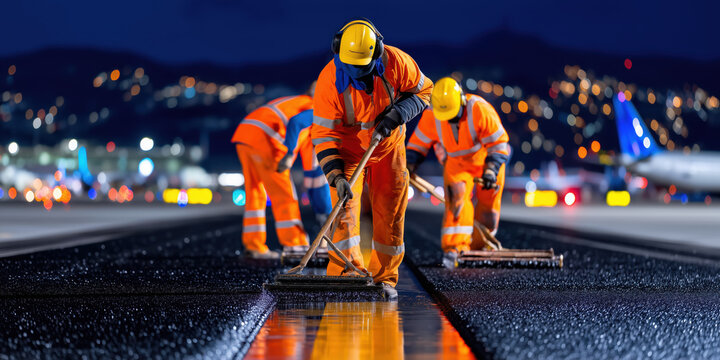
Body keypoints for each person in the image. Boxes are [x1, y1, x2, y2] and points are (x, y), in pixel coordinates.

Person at [311, 19, 433, 299]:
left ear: (377, 52)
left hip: (388, 148)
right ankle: (346, 275)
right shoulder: (329, 81)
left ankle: (384, 279)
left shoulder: (398, 62)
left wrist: (398, 114)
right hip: (348, 153)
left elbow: (424, 91)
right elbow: (323, 135)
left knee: (390, 213)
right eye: (351, 68)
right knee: (343, 209)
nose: (357, 74)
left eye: (362, 68)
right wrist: (336, 176)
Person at [406, 77, 509, 265]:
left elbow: (499, 144)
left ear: (462, 101)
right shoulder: (433, 115)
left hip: (485, 159)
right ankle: (455, 248)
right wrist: (408, 166)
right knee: (457, 203)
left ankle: (481, 247)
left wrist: (491, 171)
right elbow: (416, 146)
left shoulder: (479, 109)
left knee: (488, 209)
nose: (449, 120)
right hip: (457, 164)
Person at [232, 88, 332, 259]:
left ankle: (254, 246)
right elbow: (296, 123)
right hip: (267, 137)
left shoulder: (295, 101)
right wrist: (325, 214)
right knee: (284, 194)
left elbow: (312, 175)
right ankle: (296, 246)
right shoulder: (317, 109)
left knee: (255, 192)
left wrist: (324, 212)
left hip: (245, 133)